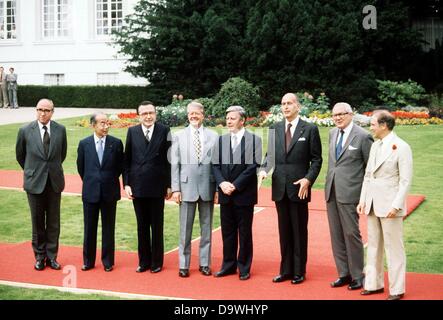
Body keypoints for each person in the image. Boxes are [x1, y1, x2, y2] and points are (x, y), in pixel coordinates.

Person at [259, 93, 322, 284]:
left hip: (299, 188)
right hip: (279, 187)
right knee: (284, 231)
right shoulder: (274, 128)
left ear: (298, 106)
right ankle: (285, 270)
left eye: (289, 103)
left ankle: (299, 271)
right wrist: (263, 170)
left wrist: (308, 179)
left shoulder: (309, 129)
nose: (285, 107)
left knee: (299, 230)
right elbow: (270, 156)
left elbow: (317, 160)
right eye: (283, 103)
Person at [357, 110, 413, 301]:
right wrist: (363, 200)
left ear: (383, 125)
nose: (370, 127)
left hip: (390, 207)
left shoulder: (402, 147)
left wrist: (396, 206)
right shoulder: (375, 146)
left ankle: (397, 289)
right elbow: (368, 175)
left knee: (394, 248)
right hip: (372, 203)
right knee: (373, 246)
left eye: (373, 124)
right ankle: (374, 284)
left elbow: (405, 181)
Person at [325, 102, 373, 290]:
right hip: (332, 191)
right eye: (334, 114)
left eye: (341, 114)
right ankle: (343, 273)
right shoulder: (332, 134)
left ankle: (358, 275)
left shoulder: (363, 136)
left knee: (351, 234)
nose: (337, 117)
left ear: (351, 114)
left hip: (351, 193)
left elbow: (370, 169)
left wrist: (365, 196)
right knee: (336, 234)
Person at [15, 99, 67, 271]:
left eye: (46, 110)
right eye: (39, 109)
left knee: (53, 222)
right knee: (37, 222)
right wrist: (34, 171)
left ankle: (52, 257)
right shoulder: (24, 130)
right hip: (34, 182)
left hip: (54, 182)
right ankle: (39, 257)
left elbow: (62, 154)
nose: (42, 113)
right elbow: (20, 156)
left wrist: (50, 171)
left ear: (53, 111)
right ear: (36, 110)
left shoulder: (60, 130)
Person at [212, 106, 262, 281]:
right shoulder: (221, 140)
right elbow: (215, 165)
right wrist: (222, 183)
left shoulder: (254, 140)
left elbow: (252, 167)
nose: (229, 121)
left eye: (232, 118)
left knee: (245, 232)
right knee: (227, 232)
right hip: (225, 193)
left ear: (242, 121)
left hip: (243, 194)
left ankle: (244, 267)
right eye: (227, 118)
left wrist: (235, 185)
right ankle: (228, 265)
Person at [123, 101, 172, 273]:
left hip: (158, 186)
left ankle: (157, 262)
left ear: (155, 114)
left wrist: (169, 185)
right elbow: (127, 159)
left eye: (151, 113)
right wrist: (127, 183)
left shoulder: (164, 130)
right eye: (144, 113)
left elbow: (169, 160)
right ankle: (143, 261)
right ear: (139, 115)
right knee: (142, 225)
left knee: (157, 225)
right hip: (138, 186)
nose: (148, 116)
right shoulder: (132, 131)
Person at [171, 101, 218, 278]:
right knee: (185, 229)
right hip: (186, 187)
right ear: (187, 115)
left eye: (196, 113)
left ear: (203, 115)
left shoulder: (214, 136)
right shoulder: (178, 136)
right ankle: (184, 265)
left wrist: (217, 190)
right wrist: (176, 189)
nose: (193, 116)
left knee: (206, 229)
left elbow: (217, 165)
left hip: (208, 186)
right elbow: (175, 164)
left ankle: (205, 264)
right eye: (190, 114)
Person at [77, 113, 124, 272]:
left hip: (109, 191)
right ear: (93, 125)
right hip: (90, 192)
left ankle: (108, 261)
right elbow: (81, 168)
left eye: (107, 123)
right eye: (102, 123)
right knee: (89, 228)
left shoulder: (116, 143)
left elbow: (119, 167)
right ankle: (88, 261)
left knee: (108, 228)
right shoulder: (84, 144)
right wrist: (94, 180)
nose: (106, 126)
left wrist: (106, 180)